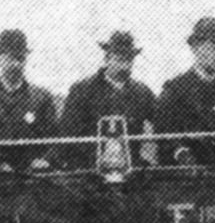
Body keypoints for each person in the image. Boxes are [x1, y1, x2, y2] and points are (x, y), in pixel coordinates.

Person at [156, 17, 215, 164]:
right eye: (212, 47)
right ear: (195, 49)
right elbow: (164, 135)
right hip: (188, 173)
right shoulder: (175, 91)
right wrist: (180, 153)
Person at [0, 28, 59, 171]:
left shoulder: (42, 99)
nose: (15, 64)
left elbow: (55, 139)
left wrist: (45, 160)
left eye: (20, 58)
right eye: (10, 58)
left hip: (36, 177)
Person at [62, 31, 159, 167]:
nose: (125, 66)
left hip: (130, 170)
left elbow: (163, 122)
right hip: (89, 169)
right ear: (107, 59)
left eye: (129, 60)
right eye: (119, 59)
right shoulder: (82, 90)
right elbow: (68, 133)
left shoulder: (142, 93)